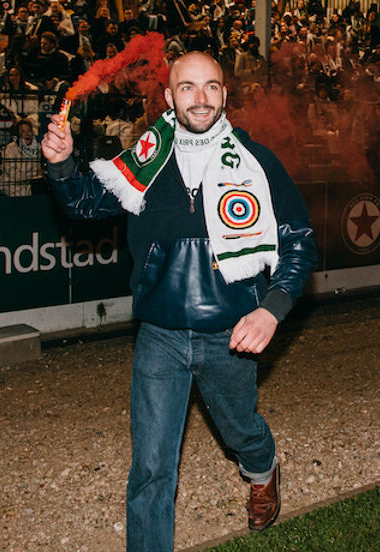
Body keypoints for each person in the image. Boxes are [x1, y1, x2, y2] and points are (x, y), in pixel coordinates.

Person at [41, 51, 318, 551]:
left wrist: (271, 308)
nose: (200, 98)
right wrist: (62, 164)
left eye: (211, 87)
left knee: (240, 433)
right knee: (150, 469)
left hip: (231, 333)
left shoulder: (257, 161)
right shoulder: (146, 157)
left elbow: (298, 238)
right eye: (187, 87)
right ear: (168, 97)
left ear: (224, 95)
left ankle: (262, 469)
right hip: (160, 336)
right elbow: (85, 202)